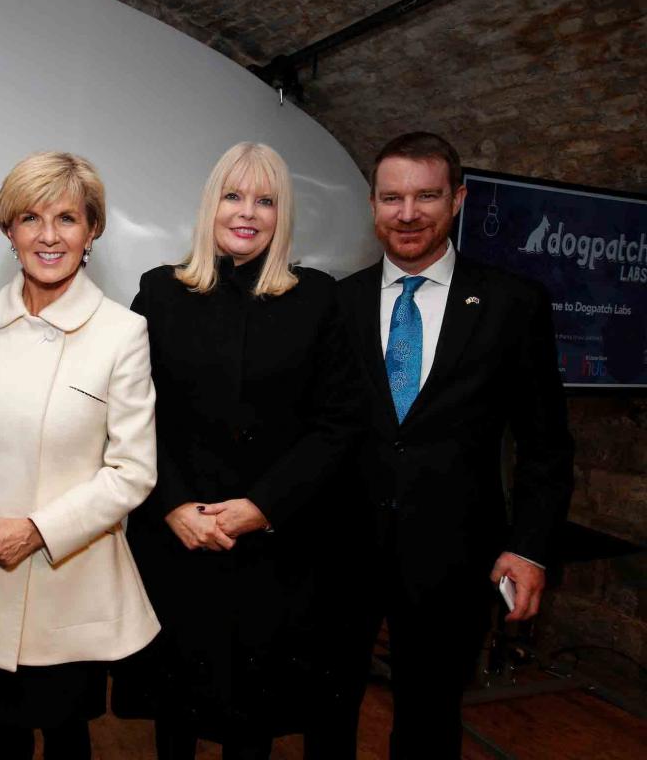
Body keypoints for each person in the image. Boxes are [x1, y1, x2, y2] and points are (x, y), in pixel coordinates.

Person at [114, 142, 361, 759]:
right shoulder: (160, 293)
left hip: (273, 548)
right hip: (178, 539)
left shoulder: (318, 299)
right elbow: (133, 413)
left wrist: (263, 505)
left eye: (265, 200)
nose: (247, 212)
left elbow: (337, 424)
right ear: (211, 204)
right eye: (233, 195)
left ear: (283, 213)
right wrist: (172, 505)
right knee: (175, 713)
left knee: (252, 716)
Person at [334, 131, 574, 758]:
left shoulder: (512, 305)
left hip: (456, 558)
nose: (408, 213)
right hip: (338, 554)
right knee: (326, 712)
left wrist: (529, 550)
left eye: (426, 196)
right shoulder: (336, 304)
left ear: (458, 199)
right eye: (392, 198)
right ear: (373, 206)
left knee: (429, 720)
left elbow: (545, 444)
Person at [0, 151, 160, 760]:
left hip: (69, 577)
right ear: (9, 231)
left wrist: (39, 530)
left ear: (92, 231)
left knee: (66, 737)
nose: (49, 235)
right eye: (30, 218)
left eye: (67, 218)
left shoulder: (121, 333)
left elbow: (134, 471)